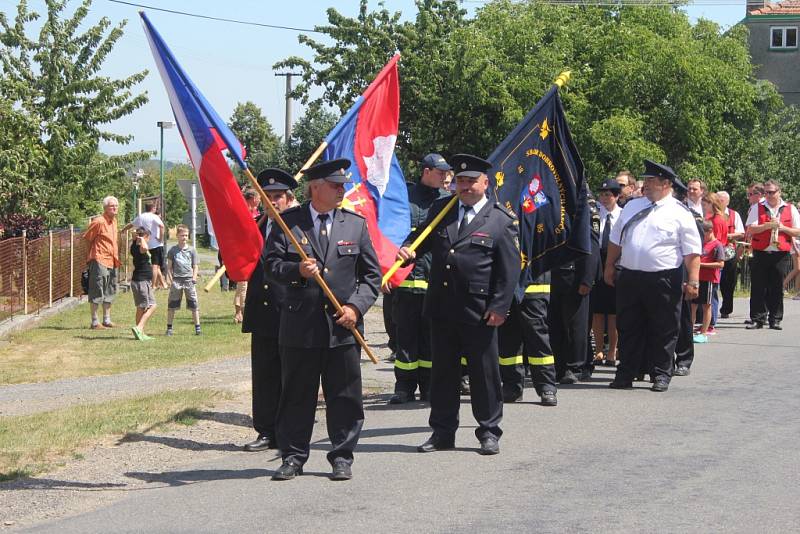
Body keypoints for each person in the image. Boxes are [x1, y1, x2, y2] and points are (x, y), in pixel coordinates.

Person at [266, 158, 381, 482]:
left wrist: (356, 309)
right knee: (297, 395)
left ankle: (342, 456)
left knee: (344, 396)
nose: (342, 190)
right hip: (299, 327)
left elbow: (371, 277)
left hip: (341, 327)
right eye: (335, 185)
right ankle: (293, 456)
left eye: (342, 184)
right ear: (315, 187)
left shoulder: (354, 225)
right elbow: (271, 267)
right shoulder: (289, 222)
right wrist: (297, 272)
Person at [397, 153, 519, 456]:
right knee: (443, 375)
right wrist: (407, 249)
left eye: (471, 181)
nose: (464, 186)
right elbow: (421, 239)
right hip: (442, 307)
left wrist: (500, 307)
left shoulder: (500, 219)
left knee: (484, 374)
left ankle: (489, 431)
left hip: (479, 310)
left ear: (485, 183)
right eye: (460, 181)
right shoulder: (443, 209)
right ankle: (442, 432)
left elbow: (510, 269)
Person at [604, 160, 701, 392]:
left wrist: (694, 280)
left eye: (651, 180)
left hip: (664, 278)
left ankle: (661, 373)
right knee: (628, 326)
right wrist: (609, 266)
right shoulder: (632, 207)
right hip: (630, 276)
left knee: (664, 328)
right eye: (645, 180)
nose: (645, 184)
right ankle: (626, 372)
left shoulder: (680, 212)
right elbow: (616, 240)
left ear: (666, 183)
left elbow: (692, 251)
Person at [387, 153, 451, 404]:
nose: (446, 176)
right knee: (405, 338)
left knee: (431, 338)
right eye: (440, 172)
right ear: (426, 171)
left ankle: (429, 385)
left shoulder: (448, 201)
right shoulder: (404, 199)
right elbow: (389, 233)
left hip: (436, 281)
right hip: (407, 279)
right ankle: (403, 386)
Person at [241, 169, 297, 453]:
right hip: (262, 310)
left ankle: (289, 430)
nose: (272, 202)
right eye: (267, 197)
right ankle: (265, 430)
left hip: (290, 309)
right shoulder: (257, 225)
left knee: (291, 374)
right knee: (264, 374)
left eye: (278, 197)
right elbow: (233, 259)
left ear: (289, 199)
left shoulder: (299, 227)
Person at [745, 180, 800, 330]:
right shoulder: (758, 207)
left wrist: (783, 228)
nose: (768, 195)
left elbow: (797, 231)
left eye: (771, 192)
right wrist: (767, 226)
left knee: (776, 287)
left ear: (779, 192)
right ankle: (757, 318)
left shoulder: (790, 208)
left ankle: (775, 319)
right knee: (758, 286)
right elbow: (750, 229)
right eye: (766, 192)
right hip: (761, 251)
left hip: (780, 252)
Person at [497, 272, 558, 406]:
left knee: (537, 336)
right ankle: (512, 386)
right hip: (508, 283)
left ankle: (546, 386)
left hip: (534, 283)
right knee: (507, 337)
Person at [591, 179, 623, 366]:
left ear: (617, 196)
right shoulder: (594, 214)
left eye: (608, 195)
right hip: (597, 264)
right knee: (597, 312)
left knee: (613, 313)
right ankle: (598, 350)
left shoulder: (622, 215)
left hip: (615, 263)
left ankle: (612, 350)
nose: (604, 198)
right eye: (602, 194)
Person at [84, 196, 120, 329]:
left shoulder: (114, 221)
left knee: (110, 290)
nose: (115, 208)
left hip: (112, 260)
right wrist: (90, 256)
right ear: (105, 208)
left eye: (116, 205)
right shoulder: (98, 221)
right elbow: (87, 239)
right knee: (97, 289)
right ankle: (94, 321)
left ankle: (107, 319)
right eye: (112, 206)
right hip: (99, 259)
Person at [692, 221, 725, 344]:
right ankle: (689, 330)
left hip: (709, 279)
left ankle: (704, 332)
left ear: (710, 231)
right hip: (697, 278)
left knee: (706, 305)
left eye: (703, 233)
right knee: (693, 305)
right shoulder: (700, 243)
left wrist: (702, 264)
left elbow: (721, 263)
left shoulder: (717, 245)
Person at [122, 202, 167, 290]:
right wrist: (160, 238)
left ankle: (161, 284)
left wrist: (123, 229)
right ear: (153, 208)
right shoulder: (154, 216)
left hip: (145, 244)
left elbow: (131, 224)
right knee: (155, 265)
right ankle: (153, 285)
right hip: (156, 244)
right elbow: (162, 226)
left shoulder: (141, 216)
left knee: (150, 264)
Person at [166, 224, 201, 336]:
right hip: (177, 281)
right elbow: (169, 267)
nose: (184, 238)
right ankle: (169, 328)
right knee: (172, 305)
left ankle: (197, 328)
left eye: (186, 235)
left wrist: (194, 278)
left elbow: (195, 266)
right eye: (182, 235)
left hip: (189, 281)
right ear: (177, 236)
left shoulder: (192, 250)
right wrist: (170, 280)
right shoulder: (173, 250)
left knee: (194, 305)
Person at [234, 189, 262, 324]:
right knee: (243, 283)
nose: (261, 200)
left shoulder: (256, 211)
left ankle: (242, 312)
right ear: (252, 198)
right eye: (259, 197)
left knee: (247, 284)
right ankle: (240, 312)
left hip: (254, 250)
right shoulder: (243, 209)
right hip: (243, 250)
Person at [717, 190, 745, 318]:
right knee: (716, 280)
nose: (719, 202)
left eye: (721, 200)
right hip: (714, 251)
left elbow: (741, 233)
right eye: (717, 199)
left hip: (730, 251)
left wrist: (727, 235)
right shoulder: (711, 214)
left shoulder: (734, 215)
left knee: (729, 281)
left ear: (727, 202)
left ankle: (726, 308)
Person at [130, 226, 157, 341]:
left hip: (139, 281)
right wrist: (141, 239)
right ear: (144, 237)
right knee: (152, 305)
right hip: (141, 282)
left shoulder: (134, 245)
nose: (149, 240)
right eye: (148, 237)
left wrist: (138, 238)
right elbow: (145, 248)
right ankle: (139, 327)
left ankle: (140, 333)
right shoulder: (140, 247)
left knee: (140, 308)